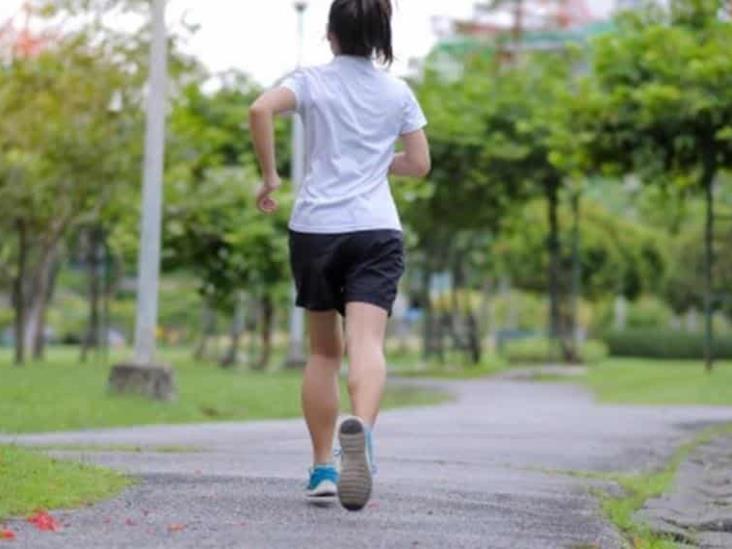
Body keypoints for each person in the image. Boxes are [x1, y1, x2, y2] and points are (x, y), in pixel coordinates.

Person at [249, 0, 430, 512]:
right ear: (381, 36)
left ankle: (323, 466)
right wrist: (376, 160)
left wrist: (270, 176)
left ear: (330, 34)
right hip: (375, 229)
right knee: (366, 344)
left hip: (316, 229)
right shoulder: (398, 92)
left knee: (324, 352)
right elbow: (419, 165)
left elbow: (259, 108)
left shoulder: (311, 81)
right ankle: (364, 434)